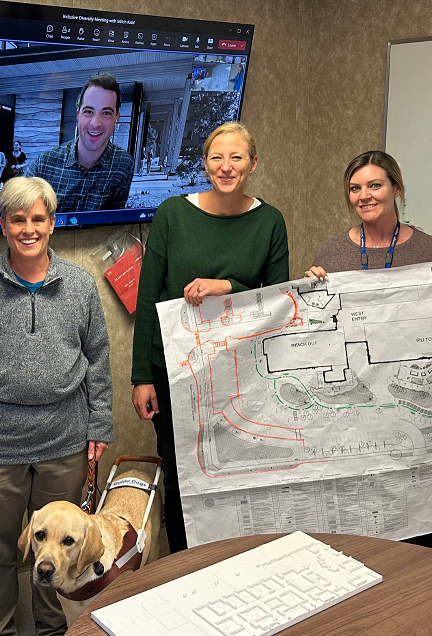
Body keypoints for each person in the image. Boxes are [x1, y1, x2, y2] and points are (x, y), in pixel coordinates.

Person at [0, 176, 113, 636]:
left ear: (52, 224)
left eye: (38, 219)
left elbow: (97, 358)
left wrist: (100, 425)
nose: (28, 229)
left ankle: (55, 627)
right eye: (18, 219)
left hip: (64, 441)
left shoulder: (79, 285)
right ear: (3, 224)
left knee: (60, 549)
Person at [130, 122, 289, 553]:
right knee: (183, 475)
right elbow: (148, 299)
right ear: (204, 163)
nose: (226, 166)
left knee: (239, 470)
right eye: (217, 157)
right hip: (176, 375)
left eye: (236, 157)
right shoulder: (171, 215)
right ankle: (183, 562)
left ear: (252, 164)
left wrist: (229, 288)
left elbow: (277, 302)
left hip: (240, 376)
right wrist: (141, 376)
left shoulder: (270, 222)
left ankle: (233, 558)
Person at [305, 151, 432, 278]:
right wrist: (308, 291)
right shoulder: (330, 252)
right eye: (355, 188)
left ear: (397, 189)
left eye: (375, 185)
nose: (363, 196)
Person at [24, 73, 135, 213]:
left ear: (117, 118)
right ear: (78, 115)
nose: (95, 124)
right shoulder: (43, 165)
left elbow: (113, 223)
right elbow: (16, 217)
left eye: (106, 113)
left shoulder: (123, 165)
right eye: (88, 111)